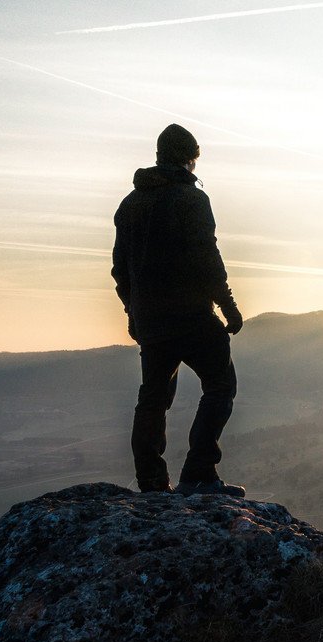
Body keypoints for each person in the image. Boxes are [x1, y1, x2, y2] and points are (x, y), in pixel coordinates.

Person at [111, 124, 246, 497]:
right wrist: (228, 306)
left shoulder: (130, 205)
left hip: (152, 323)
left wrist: (134, 313)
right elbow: (207, 257)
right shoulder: (191, 200)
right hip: (191, 316)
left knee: (153, 399)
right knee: (221, 385)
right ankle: (199, 474)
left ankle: (152, 484)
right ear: (189, 159)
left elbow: (120, 269)